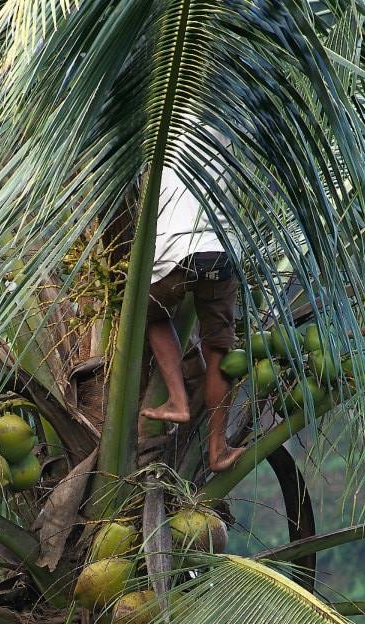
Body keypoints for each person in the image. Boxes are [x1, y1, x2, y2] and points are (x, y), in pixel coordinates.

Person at [140, 131, 245, 472]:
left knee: (148, 314)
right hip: (222, 254)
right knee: (220, 348)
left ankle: (177, 400)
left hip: (174, 254)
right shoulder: (228, 122)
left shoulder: (160, 123)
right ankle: (218, 449)